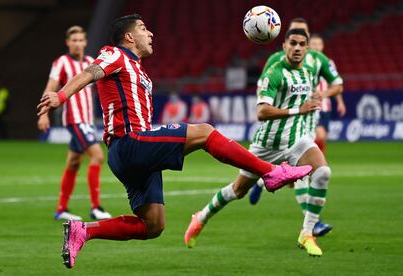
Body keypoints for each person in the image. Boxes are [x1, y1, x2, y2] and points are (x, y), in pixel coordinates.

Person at [37, 14, 312, 269]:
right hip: (130, 142)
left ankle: (83, 230)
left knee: (152, 225)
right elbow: (90, 73)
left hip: (131, 155)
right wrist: (60, 97)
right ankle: (271, 172)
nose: (151, 34)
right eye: (144, 29)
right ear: (130, 37)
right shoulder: (115, 55)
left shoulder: (139, 70)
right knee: (204, 132)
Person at [185, 29, 330, 257]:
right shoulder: (273, 73)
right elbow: (262, 112)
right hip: (268, 145)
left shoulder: (310, 72)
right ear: (284, 46)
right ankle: (201, 217)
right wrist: (297, 110)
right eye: (293, 43)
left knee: (322, 173)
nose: (298, 48)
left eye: (302, 44)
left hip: (297, 139)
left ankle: (307, 233)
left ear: (307, 48)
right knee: (238, 190)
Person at [248, 18, 343, 238]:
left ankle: (263, 180)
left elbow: (338, 84)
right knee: (303, 175)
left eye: (303, 38)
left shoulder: (318, 60)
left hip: (309, 119)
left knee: (304, 174)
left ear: (308, 39)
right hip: (288, 124)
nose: (298, 43)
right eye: (293, 37)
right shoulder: (276, 60)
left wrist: (325, 94)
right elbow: (265, 88)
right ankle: (313, 224)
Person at [37, 26, 112, 221]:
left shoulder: (90, 63)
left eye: (81, 40)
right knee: (97, 156)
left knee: (73, 163)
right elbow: (51, 88)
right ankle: (96, 207)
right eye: (74, 40)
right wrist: (44, 115)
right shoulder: (61, 62)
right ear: (68, 43)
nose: (77, 43)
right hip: (74, 119)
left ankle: (61, 209)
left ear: (85, 42)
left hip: (87, 120)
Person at [309, 33, 346, 154]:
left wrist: (340, 102)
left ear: (323, 46)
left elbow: (334, 85)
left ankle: (318, 163)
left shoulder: (328, 63)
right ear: (309, 45)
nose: (316, 47)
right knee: (314, 136)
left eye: (319, 44)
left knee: (322, 136)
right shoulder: (304, 62)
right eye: (314, 44)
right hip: (308, 106)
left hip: (325, 106)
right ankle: (314, 163)